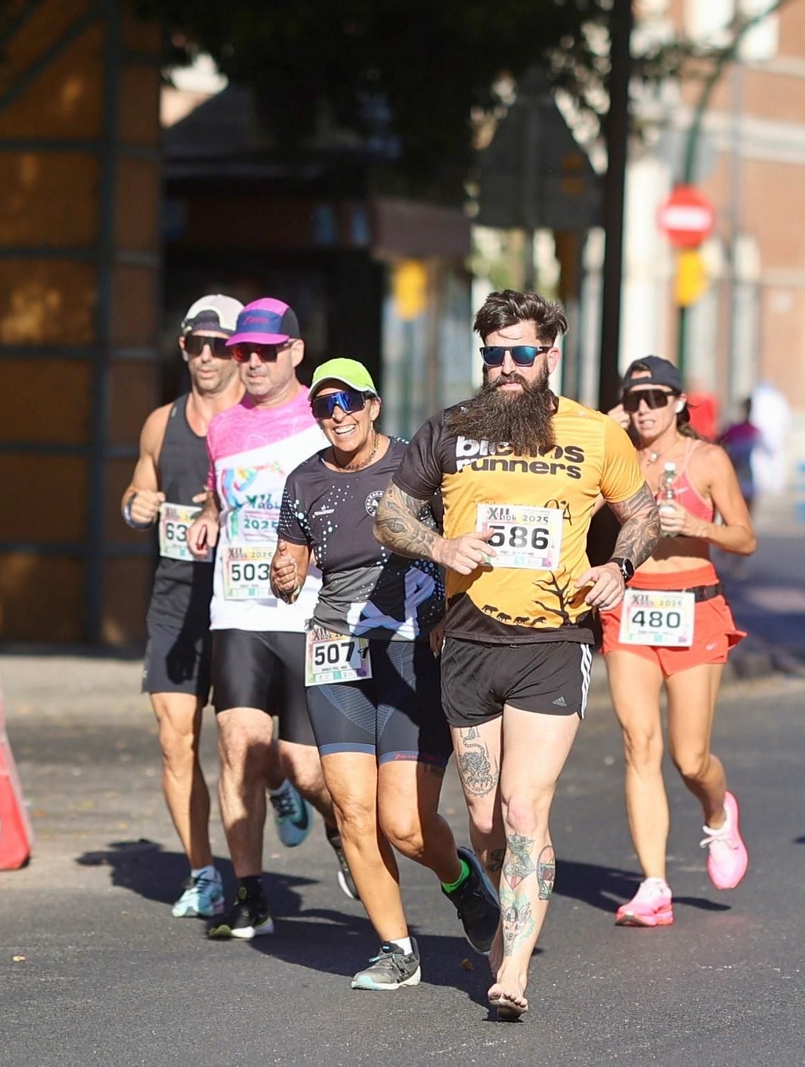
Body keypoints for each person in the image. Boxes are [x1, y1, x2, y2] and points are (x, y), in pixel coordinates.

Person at [374, 289, 659, 1019]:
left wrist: (619, 568)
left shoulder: (594, 433)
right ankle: (502, 900)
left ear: (548, 357)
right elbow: (390, 513)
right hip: (468, 642)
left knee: (525, 805)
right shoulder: (450, 430)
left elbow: (642, 510)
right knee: (485, 818)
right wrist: (440, 544)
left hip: (553, 642)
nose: (506, 366)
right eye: (494, 355)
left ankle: (515, 970)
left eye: (521, 354)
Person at [274, 358, 502, 987]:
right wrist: (283, 576)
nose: (338, 414)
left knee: (402, 823)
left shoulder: (415, 465)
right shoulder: (302, 482)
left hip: (411, 648)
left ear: (373, 405)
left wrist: (449, 611)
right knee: (353, 811)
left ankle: (460, 879)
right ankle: (397, 949)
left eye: (349, 401)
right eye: (325, 405)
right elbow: (288, 563)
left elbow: (464, 541)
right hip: (335, 647)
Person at [186, 298, 346, 939]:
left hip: (310, 615)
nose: (250, 362)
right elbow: (218, 498)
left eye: (265, 352)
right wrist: (207, 518)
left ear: (295, 353)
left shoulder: (323, 419)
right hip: (237, 611)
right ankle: (249, 893)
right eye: (241, 352)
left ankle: (343, 824)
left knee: (305, 767)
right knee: (239, 751)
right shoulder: (222, 426)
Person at [597, 356, 755, 928]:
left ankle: (718, 813)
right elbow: (577, 510)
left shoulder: (707, 459)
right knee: (640, 746)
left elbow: (745, 537)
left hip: (694, 610)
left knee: (690, 758)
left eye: (656, 398)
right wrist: (604, 433)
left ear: (678, 402)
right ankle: (654, 885)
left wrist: (698, 526)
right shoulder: (614, 456)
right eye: (635, 399)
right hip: (631, 610)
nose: (645, 409)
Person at [120, 295, 242, 918]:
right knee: (176, 740)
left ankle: (291, 790)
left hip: (245, 602)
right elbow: (139, 494)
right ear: (184, 347)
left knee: (253, 744)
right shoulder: (159, 424)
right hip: (176, 597)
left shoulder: (258, 423)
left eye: (221, 345)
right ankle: (202, 871)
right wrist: (136, 508)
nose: (207, 356)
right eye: (198, 343)